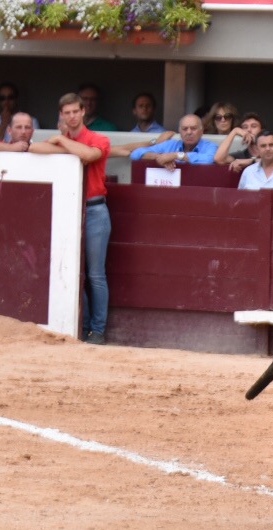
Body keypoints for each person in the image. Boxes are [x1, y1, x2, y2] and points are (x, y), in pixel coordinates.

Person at [30, 93, 111, 344]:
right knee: (77, 273)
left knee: (95, 274)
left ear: (83, 111)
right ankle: (83, 325)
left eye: (75, 111)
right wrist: (62, 141)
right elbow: (34, 147)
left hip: (94, 209)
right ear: (62, 115)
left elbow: (89, 155)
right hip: (69, 210)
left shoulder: (98, 139)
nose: (72, 116)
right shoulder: (65, 140)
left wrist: (61, 142)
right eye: (67, 113)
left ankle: (97, 330)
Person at [131, 114, 216, 166]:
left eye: (193, 128)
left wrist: (177, 155)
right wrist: (160, 157)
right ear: (180, 132)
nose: (189, 132)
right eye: (185, 129)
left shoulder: (210, 146)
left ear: (202, 131)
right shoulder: (170, 145)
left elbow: (208, 160)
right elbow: (135, 153)